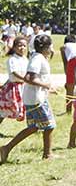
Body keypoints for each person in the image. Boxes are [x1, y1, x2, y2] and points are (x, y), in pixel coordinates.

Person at [0, 34, 59, 162]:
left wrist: (48, 88)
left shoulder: (37, 57)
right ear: (45, 47)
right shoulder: (37, 58)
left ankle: (6, 148)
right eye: (50, 46)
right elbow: (29, 78)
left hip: (33, 97)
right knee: (49, 125)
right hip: (36, 99)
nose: (51, 49)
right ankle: (47, 155)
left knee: (33, 127)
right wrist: (46, 85)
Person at [0, 36, 29, 132]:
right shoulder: (12, 59)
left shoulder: (25, 59)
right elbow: (14, 72)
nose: (22, 48)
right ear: (14, 47)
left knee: (26, 107)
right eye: (19, 45)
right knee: (6, 109)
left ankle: (32, 127)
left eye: (24, 46)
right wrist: (25, 78)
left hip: (24, 87)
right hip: (13, 88)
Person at [61, 33, 76, 114]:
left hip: (72, 62)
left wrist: (67, 75)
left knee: (70, 88)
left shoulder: (64, 47)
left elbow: (65, 62)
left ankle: (68, 110)